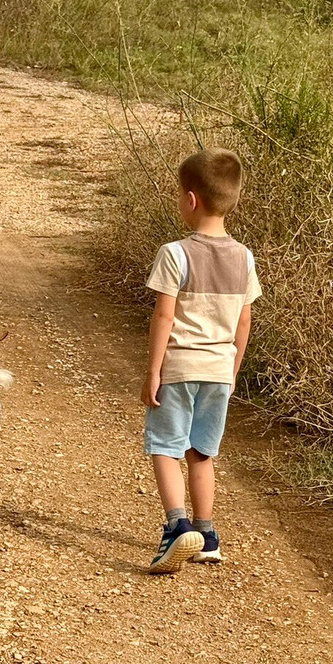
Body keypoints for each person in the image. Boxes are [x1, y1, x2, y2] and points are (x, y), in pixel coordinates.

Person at [141, 147, 261, 574]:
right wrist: (232, 371)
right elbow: (244, 321)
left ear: (190, 200)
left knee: (163, 446)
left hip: (179, 369)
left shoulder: (175, 253)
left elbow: (164, 315)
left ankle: (177, 527)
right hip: (218, 372)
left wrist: (153, 371)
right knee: (201, 451)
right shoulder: (244, 258)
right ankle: (208, 535)